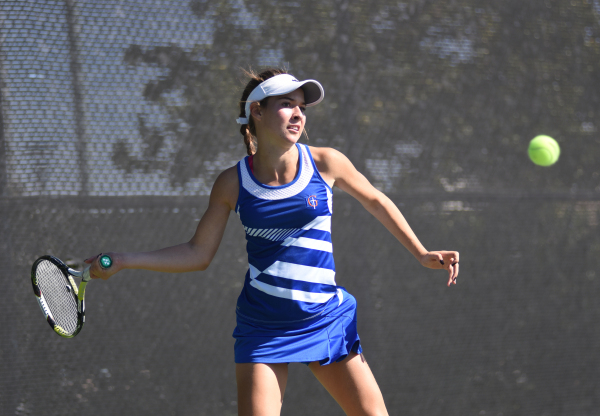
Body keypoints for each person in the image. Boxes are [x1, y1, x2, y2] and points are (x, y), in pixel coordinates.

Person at [86, 68, 460, 416]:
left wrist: (422, 252)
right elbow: (198, 253)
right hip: (263, 327)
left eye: (301, 107)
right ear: (257, 112)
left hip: (325, 318)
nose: (298, 114)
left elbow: (376, 201)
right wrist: (123, 259)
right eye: (286, 104)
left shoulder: (327, 163)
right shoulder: (232, 183)